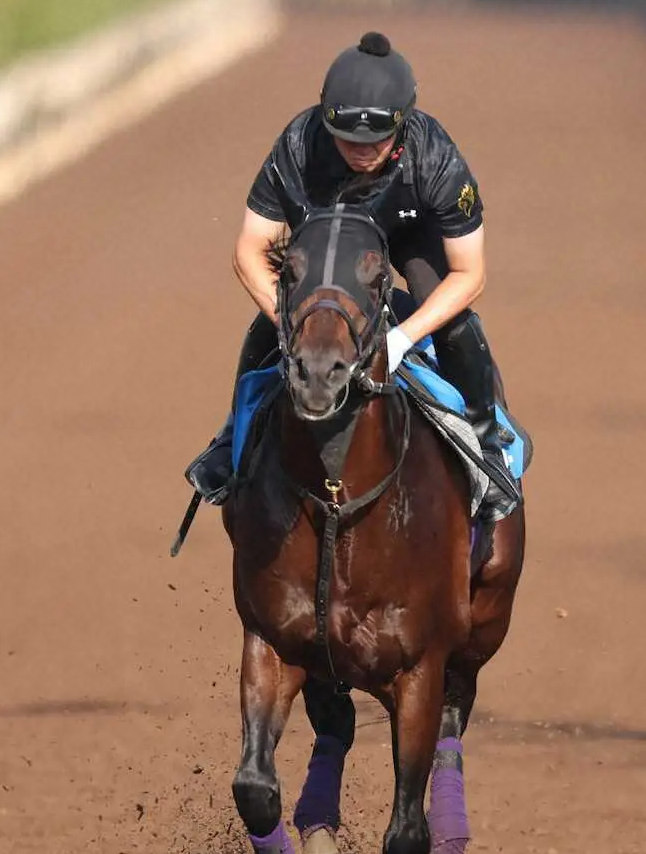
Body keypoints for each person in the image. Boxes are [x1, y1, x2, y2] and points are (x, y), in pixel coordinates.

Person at [187, 30, 513, 518]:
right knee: (263, 330)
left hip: (407, 236)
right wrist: (285, 321)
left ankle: (486, 444)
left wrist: (402, 338)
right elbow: (249, 250)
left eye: (377, 141)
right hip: (328, 242)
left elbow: (471, 273)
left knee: (455, 323)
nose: (361, 151)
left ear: (403, 124)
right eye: (346, 139)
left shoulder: (436, 156)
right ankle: (233, 436)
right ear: (325, 119)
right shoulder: (298, 144)